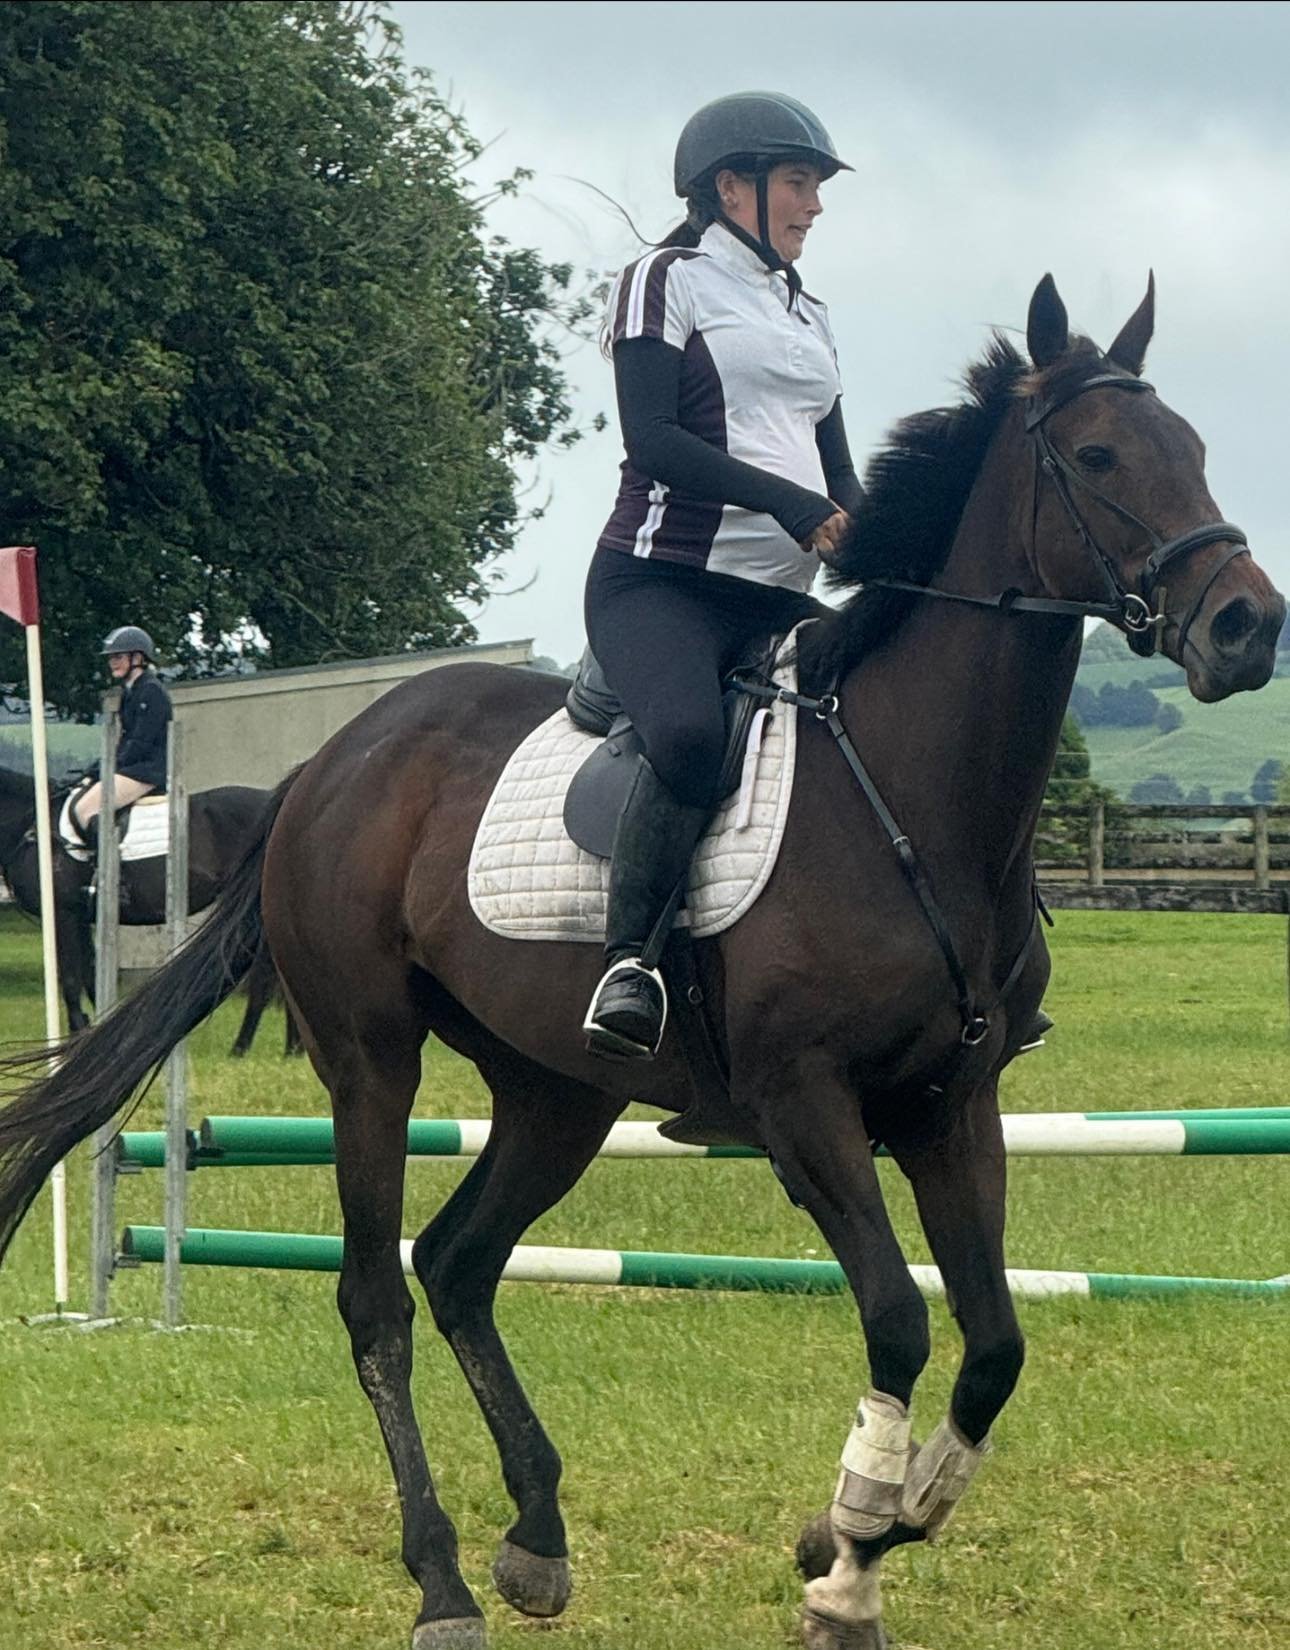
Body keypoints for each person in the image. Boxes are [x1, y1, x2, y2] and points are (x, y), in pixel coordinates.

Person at [581, 91, 865, 1061]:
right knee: (696, 738)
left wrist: (883, 549)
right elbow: (653, 439)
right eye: (799, 183)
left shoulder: (811, 313)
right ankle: (632, 966)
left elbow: (839, 479)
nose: (815, 206)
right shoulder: (665, 280)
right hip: (660, 586)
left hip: (781, 599)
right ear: (729, 187)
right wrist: (790, 507)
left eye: (818, 188)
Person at [72, 626, 172, 846]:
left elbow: (140, 743)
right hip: (132, 769)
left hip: (146, 772)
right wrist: (95, 769)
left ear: (137, 658)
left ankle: (106, 864)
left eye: (118, 657)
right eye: (111, 658)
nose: (113, 663)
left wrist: (109, 768)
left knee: (84, 809)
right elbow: (124, 743)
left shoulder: (151, 691)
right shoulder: (131, 692)